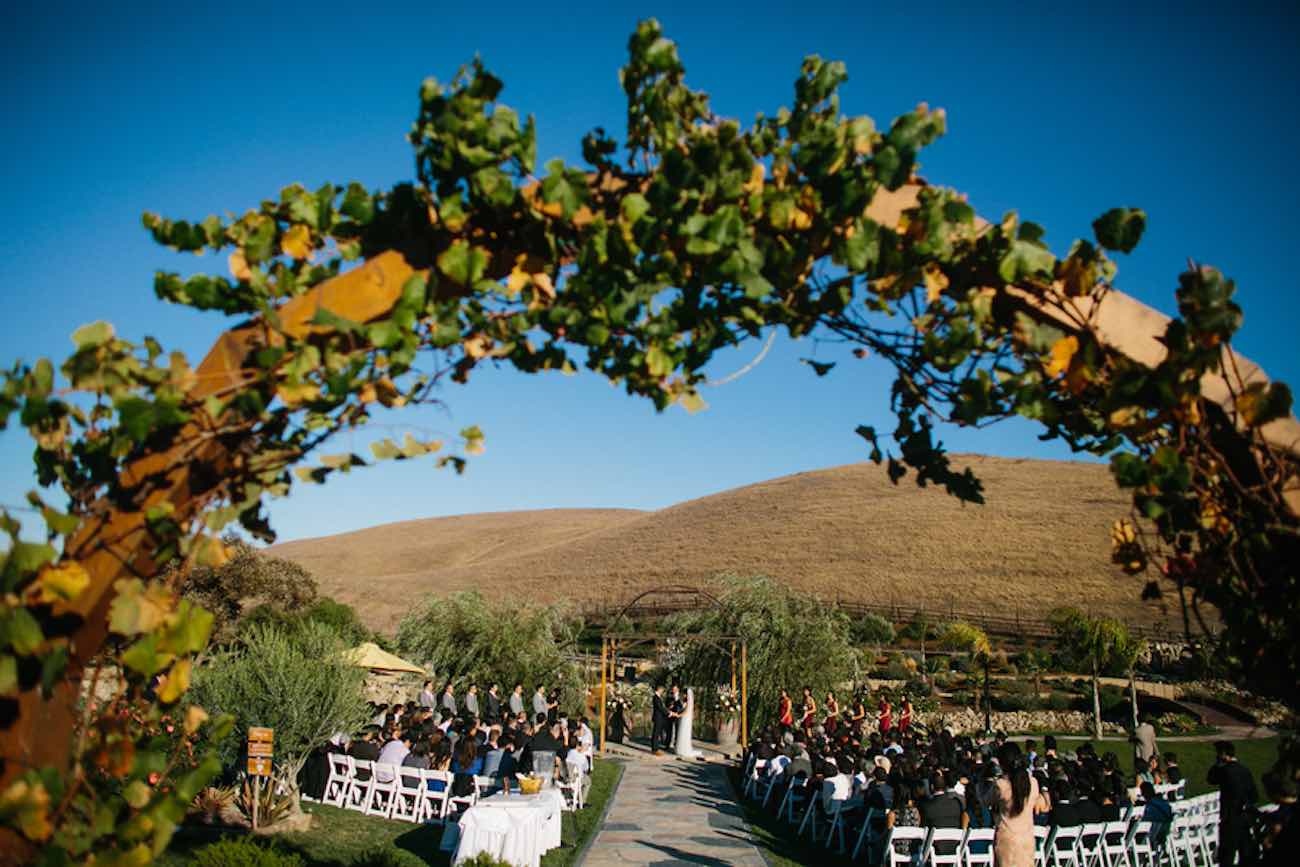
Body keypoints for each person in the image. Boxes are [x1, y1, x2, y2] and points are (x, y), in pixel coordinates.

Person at [1208, 740, 1258, 867]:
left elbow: (1211, 779)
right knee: (1245, 853)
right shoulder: (1245, 770)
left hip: (1229, 817)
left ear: (1223, 754)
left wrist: (1217, 764)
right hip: (1245, 818)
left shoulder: (1225, 771)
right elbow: (1254, 795)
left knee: (1227, 856)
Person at [987, 743, 1039, 867]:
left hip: (1007, 838)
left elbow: (986, 800)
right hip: (1027, 837)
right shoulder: (1032, 783)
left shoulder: (1001, 785)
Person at [1140, 780, 1173, 849]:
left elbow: (1146, 821)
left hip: (1155, 835)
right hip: (1166, 831)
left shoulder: (1151, 805)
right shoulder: (1163, 802)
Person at [651, 684, 671, 756]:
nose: (663, 691)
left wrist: (667, 711)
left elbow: (662, 707)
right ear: (659, 689)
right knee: (656, 733)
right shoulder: (655, 697)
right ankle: (654, 749)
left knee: (658, 732)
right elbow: (660, 708)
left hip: (660, 718)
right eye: (662, 690)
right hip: (657, 717)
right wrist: (668, 713)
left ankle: (656, 748)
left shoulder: (658, 697)